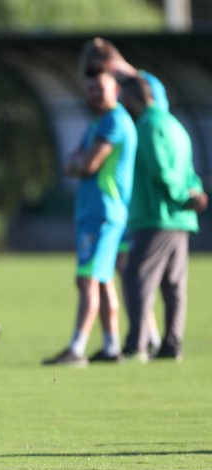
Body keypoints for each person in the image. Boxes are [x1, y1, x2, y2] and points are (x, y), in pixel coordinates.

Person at [42, 51, 136, 367]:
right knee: (104, 278)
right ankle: (111, 347)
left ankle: (77, 349)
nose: (95, 94)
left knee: (86, 280)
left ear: (116, 88)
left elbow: (86, 163)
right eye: (90, 89)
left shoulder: (113, 121)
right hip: (96, 210)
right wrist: (76, 163)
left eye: (101, 88)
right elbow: (75, 160)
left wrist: (77, 164)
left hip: (102, 211)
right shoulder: (98, 122)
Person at [79, 37, 167, 357]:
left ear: (111, 68)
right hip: (126, 196)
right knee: (122, 269)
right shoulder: (106, 112)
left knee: (133, 271)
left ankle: (145, 336)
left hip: (134, 197)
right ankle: (146, 336)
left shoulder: (146, 87)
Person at [119, 76, 208, 363]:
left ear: (133, 98)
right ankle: (171, 344)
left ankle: (136, 344)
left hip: (156, 216)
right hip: (181, 219)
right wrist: (194, 193)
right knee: (173, 285)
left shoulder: (147, 125)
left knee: (136, 277)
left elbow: (161, 170)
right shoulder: (176, 126)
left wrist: (181, 196)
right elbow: (187, 168)